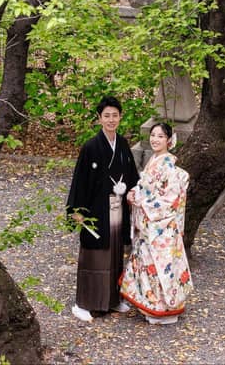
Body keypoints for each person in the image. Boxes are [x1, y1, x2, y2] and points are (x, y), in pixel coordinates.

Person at [66, 96, 139, 322]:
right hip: (96, 208)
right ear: (99, 119)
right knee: (94, 256)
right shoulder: (90, 147)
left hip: (117, 207)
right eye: (106, 115)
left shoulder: (123, 144)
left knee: (115, 254)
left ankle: (112, 300)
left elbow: (132, 175)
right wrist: (76, 209)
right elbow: (80, 180)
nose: (111, 120)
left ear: (120, 117)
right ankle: (83, 303)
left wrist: (132, 190)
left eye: (114, 115)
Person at [120, 122, 193, 324]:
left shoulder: (169, 165)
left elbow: (170, 198)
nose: (155, 139)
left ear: (169, 140)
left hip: (161, 224)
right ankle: (151, 306)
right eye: (153, 135)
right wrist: (135, 192)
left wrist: (142, 201)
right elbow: (146, 185)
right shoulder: (154, 160)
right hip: (150, 223)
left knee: (162, 265)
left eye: (160, 136)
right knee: (149, 263)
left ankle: (163, 310)